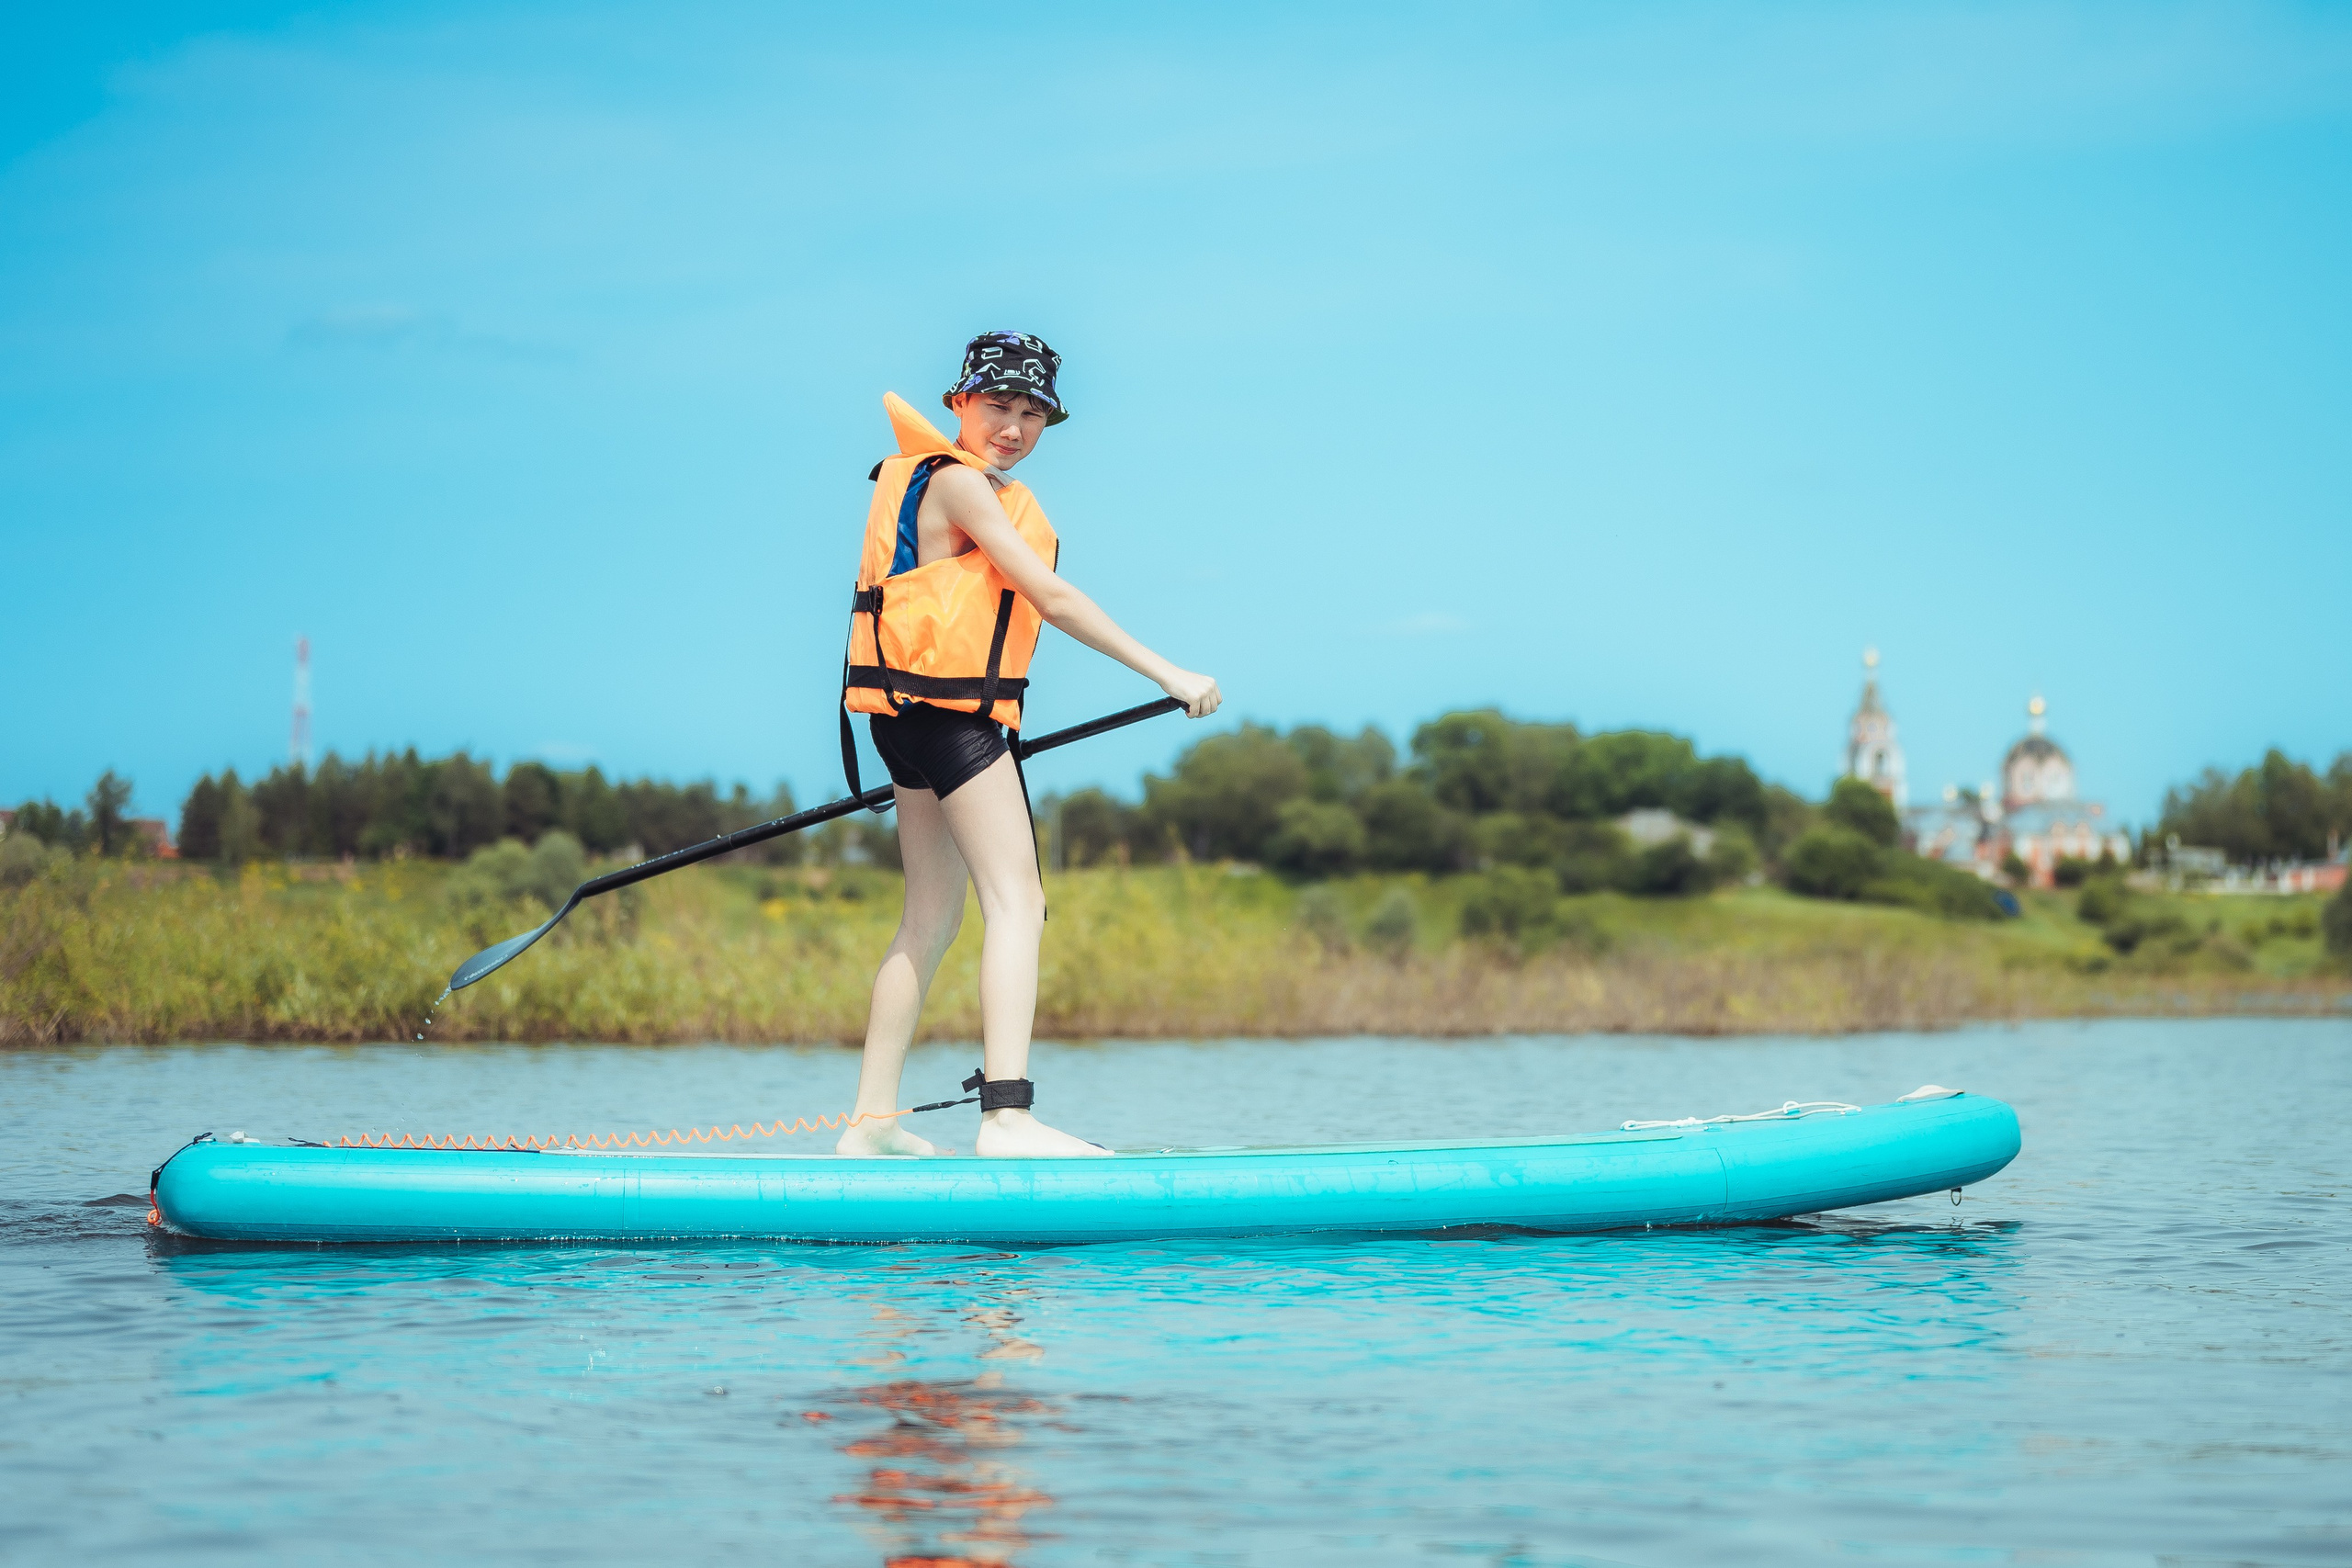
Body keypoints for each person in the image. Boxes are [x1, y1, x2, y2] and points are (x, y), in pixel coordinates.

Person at [834, 332, 1220, 1158]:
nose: (1013, 427)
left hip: (903, 720)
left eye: (1032, 414)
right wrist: (1170, 672)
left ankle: (870, 1124)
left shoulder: (929, 478)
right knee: (1019, 903)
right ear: (959, 402)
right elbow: (1048, 595)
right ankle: (1006, 1117)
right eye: (997, 405)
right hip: (951, 722)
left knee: (929, 918)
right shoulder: (960, 484)